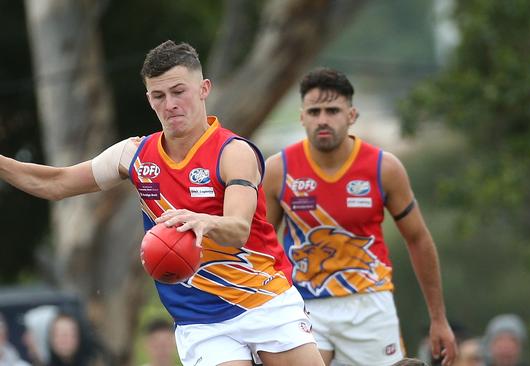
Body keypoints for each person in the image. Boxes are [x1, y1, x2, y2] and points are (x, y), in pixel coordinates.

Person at [0, 40, 323, 366]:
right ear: (149, 100)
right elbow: (56, 183)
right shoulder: (134, 155)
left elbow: (239, 228)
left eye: (178, 91)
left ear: (203, 89)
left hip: (264, 300)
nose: (170, 104)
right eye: (159, 96)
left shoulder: (233, 153)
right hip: (200, 319)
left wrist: (203, 221)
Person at [263, 67, 457, 366]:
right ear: (302, 117)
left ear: (352, 115)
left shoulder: (384, 168)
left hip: (369, 303)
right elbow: (262, 246)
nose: (323, 119)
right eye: (314, 111)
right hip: (304, 304)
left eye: (333, 110)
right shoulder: (278, 170)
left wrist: (439, 319)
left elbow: (418, 239)